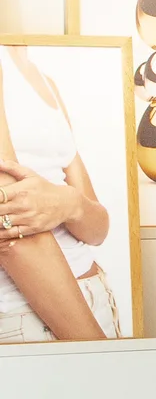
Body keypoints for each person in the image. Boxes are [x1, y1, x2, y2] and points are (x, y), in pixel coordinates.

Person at [0, 47, 119, 341]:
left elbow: (97, 229)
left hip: (95, 300)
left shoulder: (44, 81)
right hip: (32, 317)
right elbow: (9, 229)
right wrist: (95, 349)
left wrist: (69, 203)